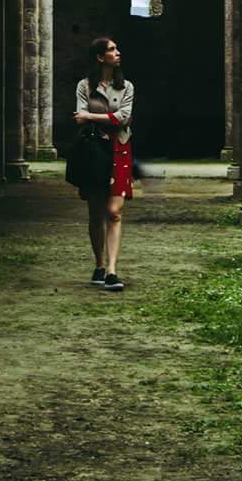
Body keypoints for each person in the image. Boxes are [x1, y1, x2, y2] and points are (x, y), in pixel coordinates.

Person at [72, 36, 134, 292]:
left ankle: (111, 271)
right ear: (100, 57)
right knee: (96, 213)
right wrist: (102, 118)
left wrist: (93, 116)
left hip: (119, 150)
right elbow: (79, 118)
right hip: (94, 152)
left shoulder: (127, 87)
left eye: (117, 49)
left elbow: (124, 118)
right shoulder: (84, 86)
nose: (118, 53)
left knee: (114, 212)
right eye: (112, 50)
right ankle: (98, 263)